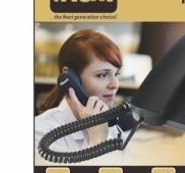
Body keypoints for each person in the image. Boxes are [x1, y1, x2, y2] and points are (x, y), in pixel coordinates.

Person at [35, 29, 123, 159]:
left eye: (116, 74)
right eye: (102, 75)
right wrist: (97, 140)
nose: (114, 84)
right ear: (70, 78)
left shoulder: (112, 126)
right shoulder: (40, 133)